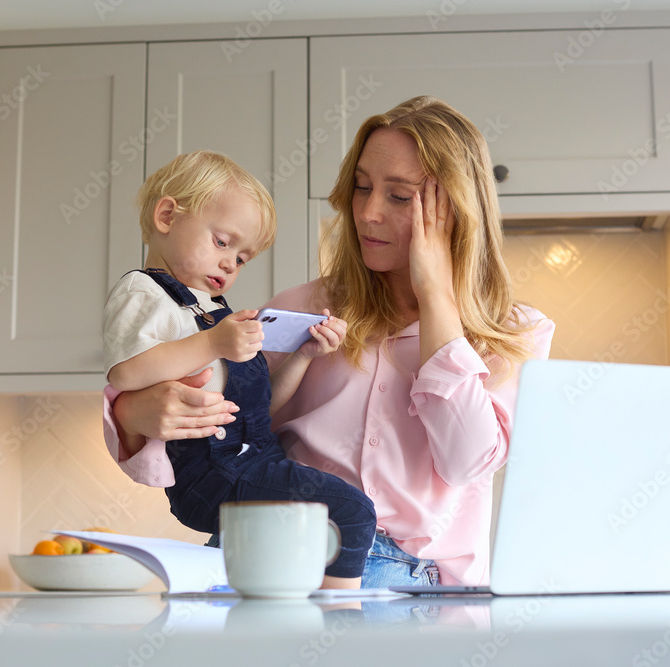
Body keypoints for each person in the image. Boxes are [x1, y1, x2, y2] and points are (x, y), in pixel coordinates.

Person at [104, 97, 555, 588]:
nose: (368, 213)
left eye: (400, 197)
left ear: (457, 211)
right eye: (361, 188)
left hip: (407, 584)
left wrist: (435, 296)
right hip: (264, 554)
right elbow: (237, 427)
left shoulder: (516, 334)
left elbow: (465, 459)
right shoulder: (301, 308)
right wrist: (131, 413)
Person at [102, 150, 376, 589]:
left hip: (249, 462)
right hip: (212, 474)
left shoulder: (213, 311)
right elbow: (126, 374)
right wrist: (213, 341)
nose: (231, 263)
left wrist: (303, 355)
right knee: (352, 511)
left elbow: (259, 411)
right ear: (168, 216)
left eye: (243, 258)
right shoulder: (144, 292)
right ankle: (341, 627)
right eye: (222, 242)